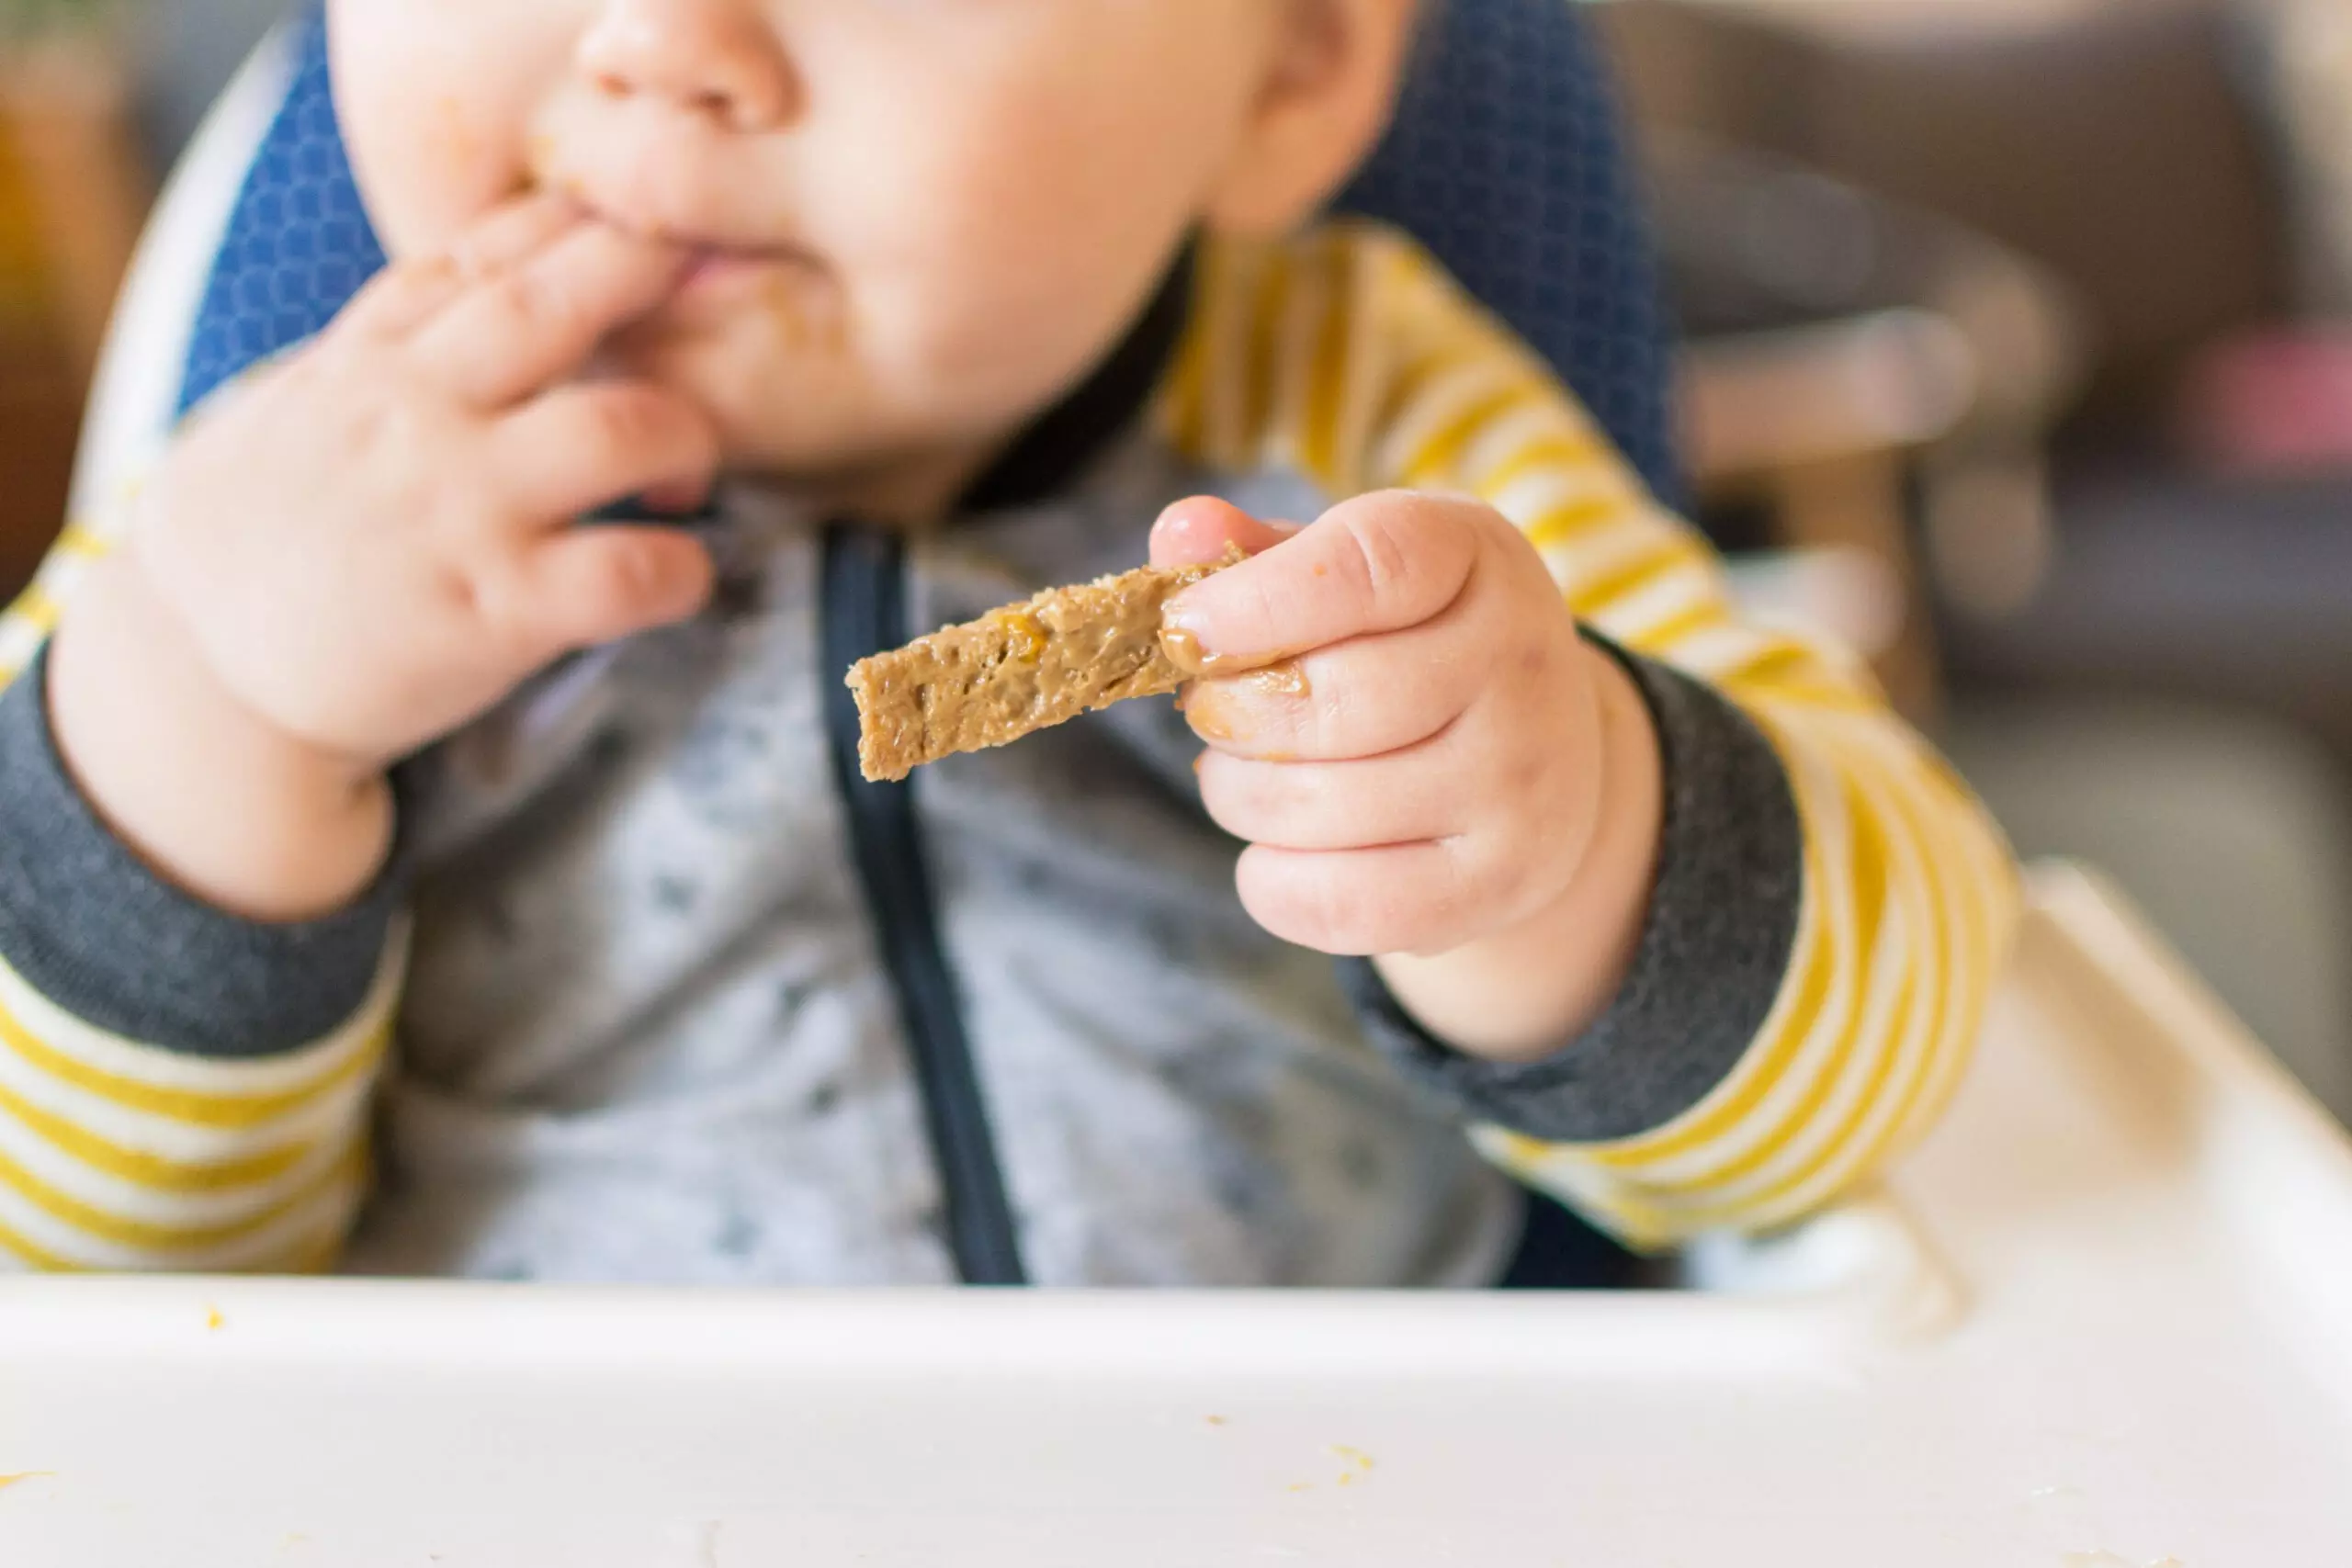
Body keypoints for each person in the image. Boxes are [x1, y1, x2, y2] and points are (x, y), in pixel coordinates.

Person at [0, 0, 2014, 1284]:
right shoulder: (275, 508)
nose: (659, 42)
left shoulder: (1384, 425)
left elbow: (1895, 1041)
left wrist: (1567, 844)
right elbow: (85, 1260)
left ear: (1290, 63)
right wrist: (206, 714)